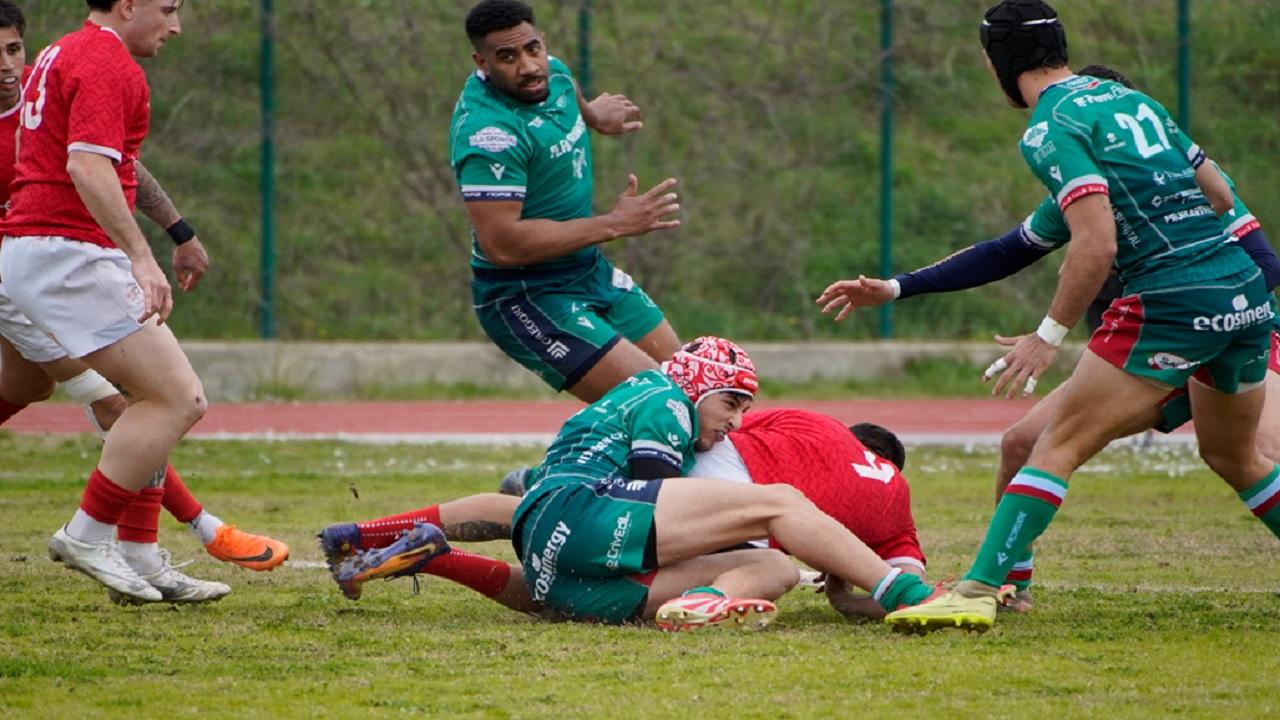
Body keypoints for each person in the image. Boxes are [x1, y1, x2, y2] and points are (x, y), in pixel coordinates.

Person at [870, 0, 1279, 633]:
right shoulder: (1136, 103)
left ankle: (978, 589)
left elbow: (1097, 246)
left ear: (997, 63)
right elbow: (1219, 195)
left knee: (1053, 445)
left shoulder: (1048, 127)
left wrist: (1046, 337)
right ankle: (1008, 583)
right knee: (1237, 458)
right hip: (1243, 297)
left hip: (1169, 304)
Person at [320, 338, 944, 631]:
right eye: (731, 403)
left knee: (549, 591)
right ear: (699, 384)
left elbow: (509, 506)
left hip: (557, 538)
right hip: (588, 513)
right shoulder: (669, 404)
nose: (734, 422)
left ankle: (433, 554)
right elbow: (655, 497)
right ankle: (905, 590)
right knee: (778, 506)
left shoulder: (643, 396)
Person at [0, 1, 287, 583]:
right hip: (66, 253)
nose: (175, 25)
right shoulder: (107, 63)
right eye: (168, 8)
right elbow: (88, 167)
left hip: (36, 252)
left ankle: (138, 554)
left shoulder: (58, 54)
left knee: (110, 394)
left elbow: (117, 162)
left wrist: (178, 231)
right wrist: (138, 255)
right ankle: (90, 536)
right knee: (173, 399)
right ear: (128, 4)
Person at [449, 0, 683, 403]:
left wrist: (593, 115)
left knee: (695, 386)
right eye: (507, 57)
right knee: (656, 401)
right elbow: (503, 245)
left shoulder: (552, 71)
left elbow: (563, 86)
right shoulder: (489, 135)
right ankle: (550, 471)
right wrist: (614, 224)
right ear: (481, 62)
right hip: (526, 293)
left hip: (587, 270)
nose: (528, 67)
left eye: (532, 49)